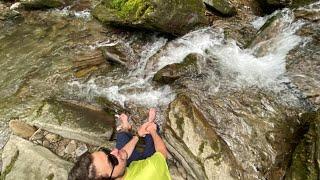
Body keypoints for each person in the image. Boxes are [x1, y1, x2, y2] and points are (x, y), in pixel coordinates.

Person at [68, 108, 171, 180]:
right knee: (151, 136)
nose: (114, 151)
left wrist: (138, 135)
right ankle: (150, 123)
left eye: (106, 152)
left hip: (127, 169)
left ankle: (126, 128)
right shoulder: (150, 172)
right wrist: (152, 131)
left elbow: (119, 154)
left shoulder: (114, 171)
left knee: (122, 145)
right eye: (111, 160)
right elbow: (162, 152)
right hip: (145, 166)